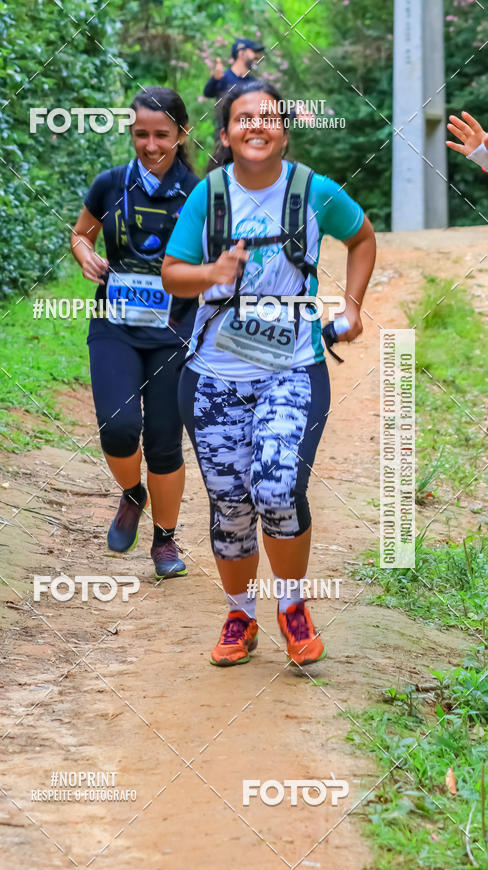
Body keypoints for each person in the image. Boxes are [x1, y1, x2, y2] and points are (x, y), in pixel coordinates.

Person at [162, 80, 376, 666]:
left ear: (285, 128)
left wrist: (352, 306)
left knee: (278, 488)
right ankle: (240, 614)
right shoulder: (208, 196)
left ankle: (292, 606)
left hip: (292, 369)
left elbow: (361, 238)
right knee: (230, 502)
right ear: (226, 134)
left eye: (268, 117)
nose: (256, 127)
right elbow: (172, 274)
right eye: (242, 119)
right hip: (213, 376)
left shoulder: (313, 190)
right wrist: (212, 272)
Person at [71, 87, 199, 579]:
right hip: (115, 327)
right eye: (141, 134)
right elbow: (81, 234)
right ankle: (132, 493)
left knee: (165, 442)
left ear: (182, 134)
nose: (150, 144)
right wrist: (85, 254)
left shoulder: (200, 193)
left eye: (161, 135)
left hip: (175, 333)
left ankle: (164, 542)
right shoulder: (110, 184)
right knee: (119, 426)